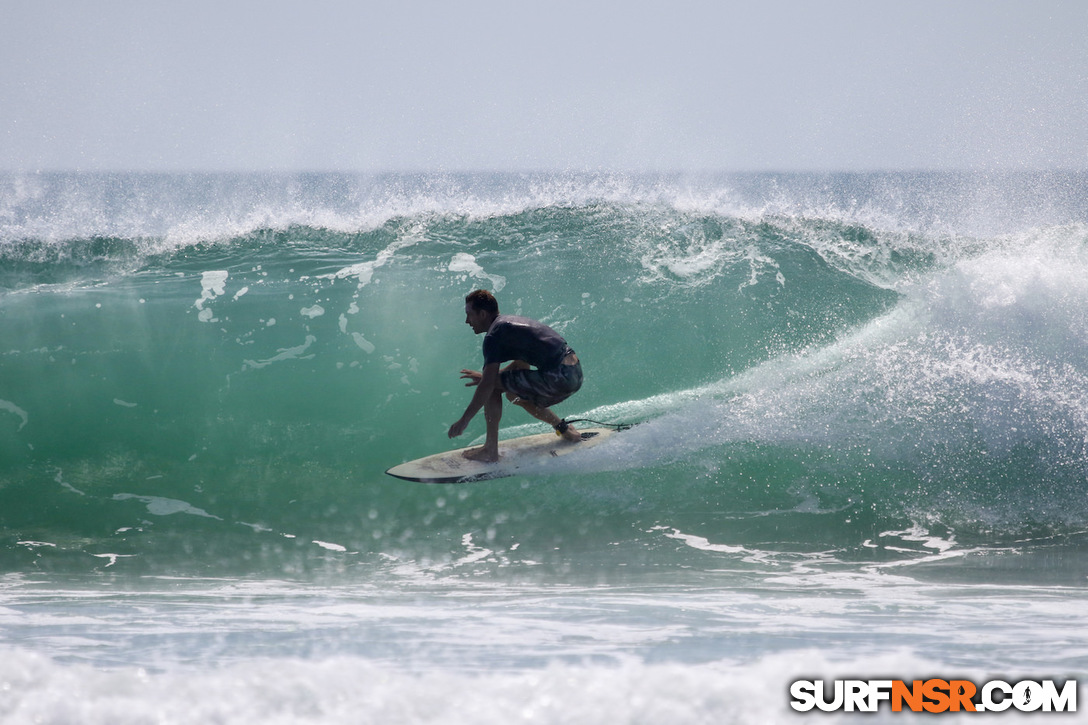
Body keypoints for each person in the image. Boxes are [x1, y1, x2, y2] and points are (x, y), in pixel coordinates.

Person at [447, 289, 583, 462]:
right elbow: (520, 365)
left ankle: (490, 450)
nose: (467, 321)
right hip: (574, 374)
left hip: (560, 377)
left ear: (482, 314)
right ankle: (564, 429)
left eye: (469, 315)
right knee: (513, 393)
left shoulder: (494, 336)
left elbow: (489, 384)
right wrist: (488, 379)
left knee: (493, 387)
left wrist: (464, 420)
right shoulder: (508, 324)